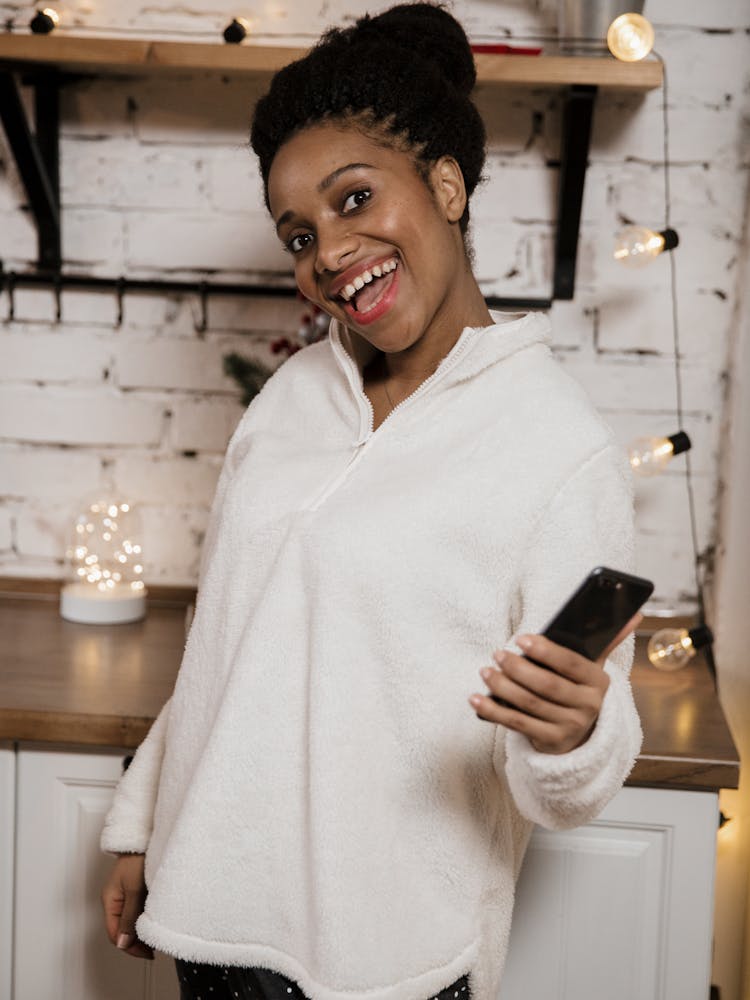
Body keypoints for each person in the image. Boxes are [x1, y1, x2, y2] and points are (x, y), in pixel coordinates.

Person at [101, 4, 643, 998]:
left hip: (389, 958)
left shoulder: (559, 448)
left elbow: (576, 758)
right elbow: (228, 641)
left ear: (445, 184)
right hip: (210, 925)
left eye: (356, 199)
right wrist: (145, 821)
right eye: (299, 232)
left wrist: (571, 735)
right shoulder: (291, 400)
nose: (329, 253)